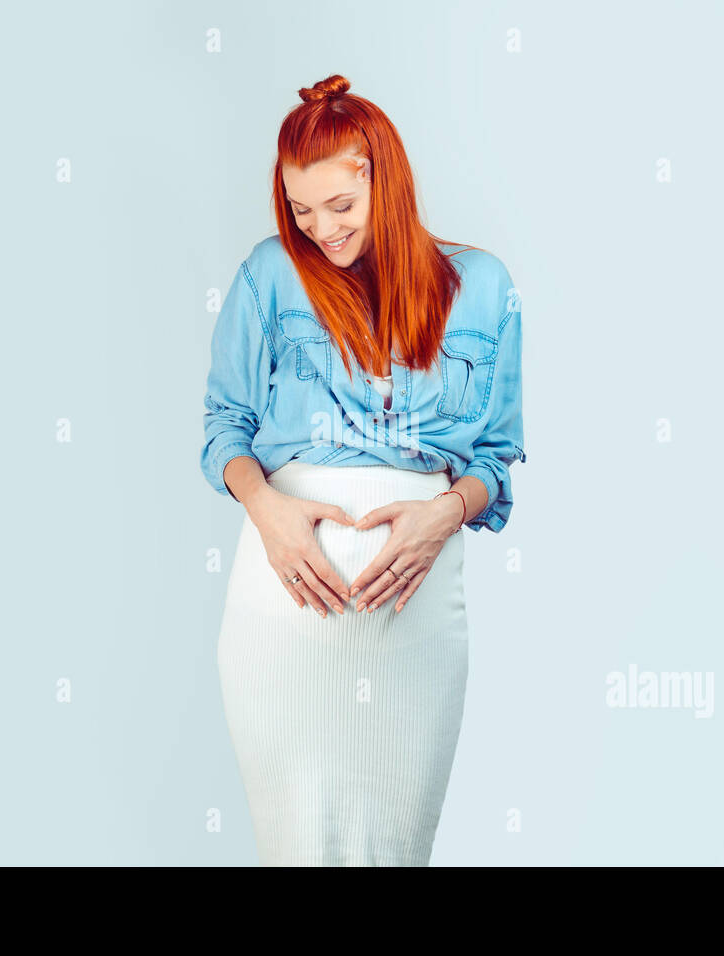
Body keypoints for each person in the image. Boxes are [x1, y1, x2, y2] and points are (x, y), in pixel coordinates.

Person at [200, 74, 526, 866]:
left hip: (412, 611)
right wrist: (269, 512)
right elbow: (223, 430)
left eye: (340, 207)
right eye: (301, 211)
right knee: (292, 849)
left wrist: (444, 514)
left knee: (395, 851)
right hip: (282, 607)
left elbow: (497, 455)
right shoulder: (269, 274)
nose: (321, 232)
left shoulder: (482, 286)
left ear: (386, 178)